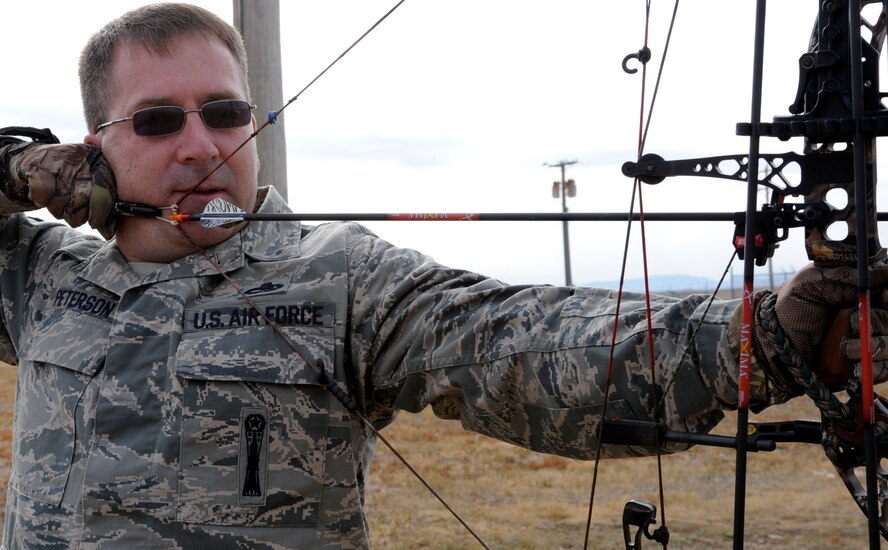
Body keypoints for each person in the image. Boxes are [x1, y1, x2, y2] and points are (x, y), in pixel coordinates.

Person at [0, 3, 885, 548]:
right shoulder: (41, 271)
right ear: (94, 149)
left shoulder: (336, 276)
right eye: (157, 121)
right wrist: (9, 166)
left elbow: (521, 343)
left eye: (225, 111)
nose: (203, 144)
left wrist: (771, 335)